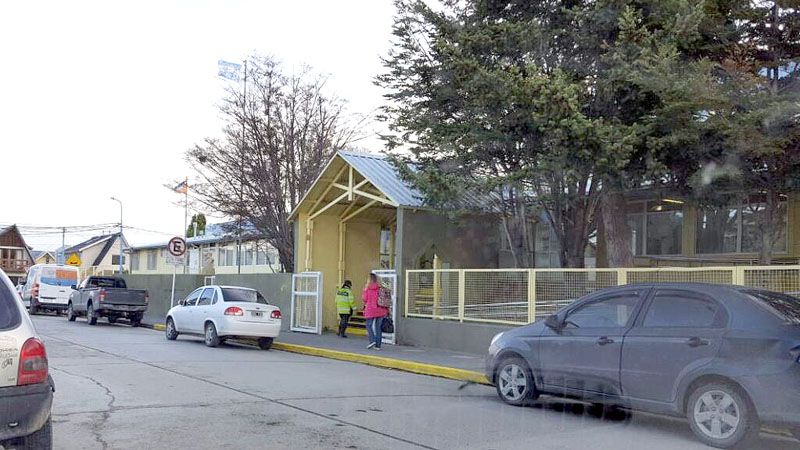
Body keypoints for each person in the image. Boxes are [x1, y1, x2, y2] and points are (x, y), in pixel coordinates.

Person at [362, 273, 388, 350]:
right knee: (378, 328)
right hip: (381, 310)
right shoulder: (381, 288)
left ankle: (372, 340)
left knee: (368, 325)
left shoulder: (367, 288)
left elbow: (364, 299)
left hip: (371, 310)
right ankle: (378, 346)